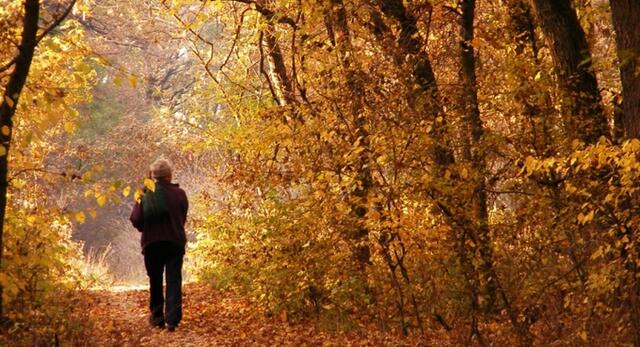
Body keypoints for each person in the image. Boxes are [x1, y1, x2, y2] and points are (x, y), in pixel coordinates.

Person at [129, 159, 188, 332]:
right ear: (170, 175)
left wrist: (144, 228)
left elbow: (135, 219)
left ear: (153, 176)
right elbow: (183, 217)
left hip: (152, 243)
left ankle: (157, 318)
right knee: (173, 280)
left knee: (155, 280)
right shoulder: (180, 194)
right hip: (174, 242)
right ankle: (172, 320)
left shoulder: (146, 194)